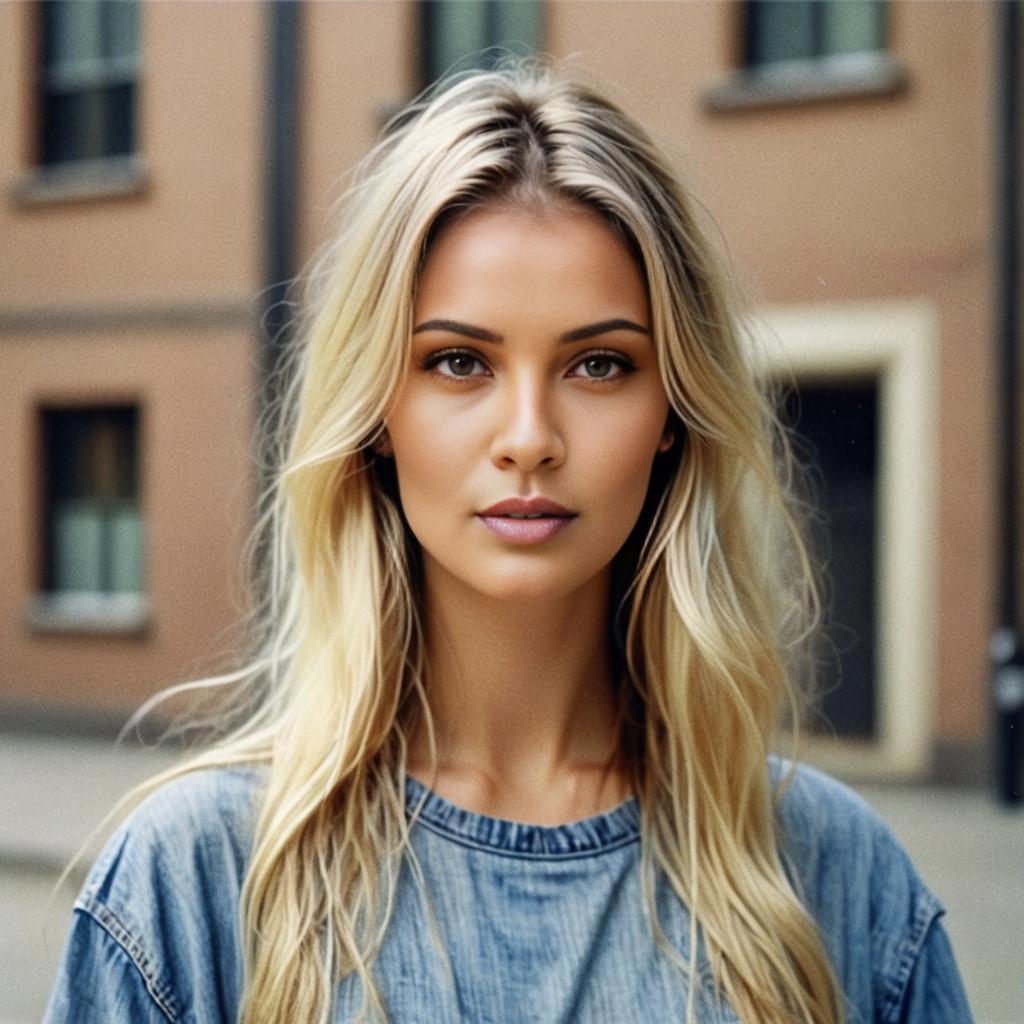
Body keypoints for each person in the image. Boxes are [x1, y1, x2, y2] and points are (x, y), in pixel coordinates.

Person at [44, 61, 972, 1024]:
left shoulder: (837, 885)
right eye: (458, 362)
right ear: (377, 414)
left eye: (599, 364)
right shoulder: (193, 885)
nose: (529, 434)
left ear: (672, 414)